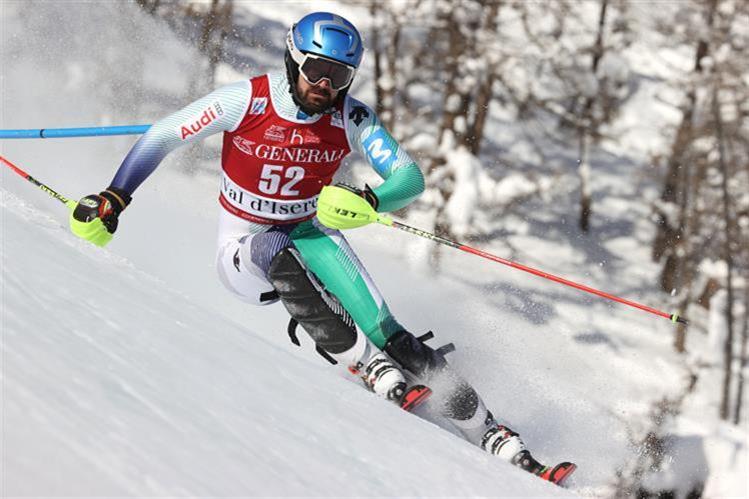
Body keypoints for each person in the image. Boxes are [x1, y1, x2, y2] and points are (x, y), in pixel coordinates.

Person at [69, 12, 574, 485]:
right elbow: (161, 135)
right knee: (273, 247)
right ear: (293, 60)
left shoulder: (351, 116)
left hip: (311, 232)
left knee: (389, 329)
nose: (326, 85)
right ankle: (364, 363)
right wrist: (117, 195)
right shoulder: (244, 101)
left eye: (340, 75)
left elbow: (409, 176)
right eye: (317, 70)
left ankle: (493, 434)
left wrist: (370, 197)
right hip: (243, 247)